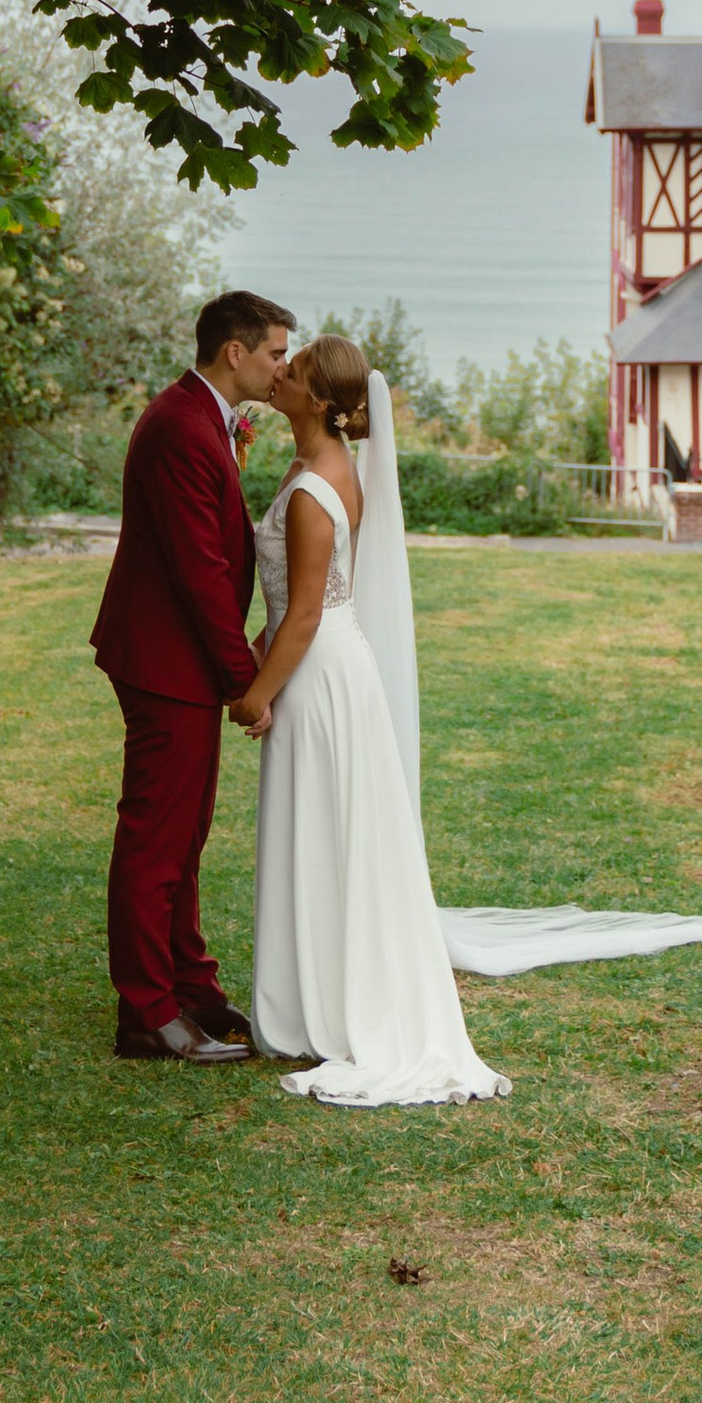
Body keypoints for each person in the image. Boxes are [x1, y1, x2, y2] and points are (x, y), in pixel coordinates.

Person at [237, 334, 509, 1107]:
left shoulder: (317, 488)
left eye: (293, 371)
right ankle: (308, 997)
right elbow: (294, 605)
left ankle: (329, 1006)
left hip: (319, 672)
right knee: (318, 830)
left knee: (325, 830)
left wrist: (258, 693)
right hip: (323, 660)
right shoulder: (315, 468)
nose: (278, 373)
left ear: (320, 401)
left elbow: (305, 616)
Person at [91, 290, 295, 1063]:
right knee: (155, 837)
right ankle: (146, 1012)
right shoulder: (179, 426)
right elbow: (198, 571)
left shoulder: (201, 415)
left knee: (187, 832)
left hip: (179, 660)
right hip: (164, 658)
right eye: (275, 353)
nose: (282, 368)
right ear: (234, 352)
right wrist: (245, 677)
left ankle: (191, 986)